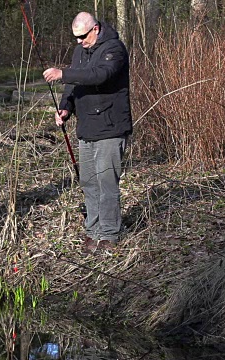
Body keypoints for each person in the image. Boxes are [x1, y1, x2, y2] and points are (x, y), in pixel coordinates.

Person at [43, 12, 132, 253]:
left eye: (82, 36)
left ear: (95, 29)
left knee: (106, 183)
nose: (79, 41)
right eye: (76, 38)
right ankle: (92, 232)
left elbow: (99, 75)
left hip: (111, 128)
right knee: (88, 182)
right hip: (87, 128)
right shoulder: (80, 51)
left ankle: (109, 235)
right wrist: (65, 109)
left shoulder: (114, 49)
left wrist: (63, 73)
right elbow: (73, 85)